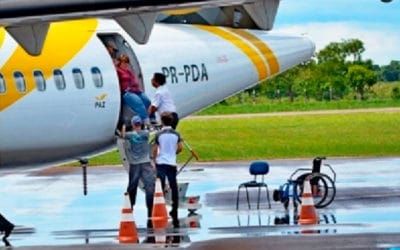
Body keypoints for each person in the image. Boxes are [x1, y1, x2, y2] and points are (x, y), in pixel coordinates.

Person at [121, 115, 156, 226]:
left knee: (132, 186)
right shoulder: (146, 134)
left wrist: (123, 126)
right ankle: (150, 209)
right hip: (146, 163)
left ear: (132, 124)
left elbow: (122, 135)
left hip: (135, 164)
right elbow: (150, 129)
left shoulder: (130, 135)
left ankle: (130, 206)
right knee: (149, 186)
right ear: (141, 124)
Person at [151, 112, 183, 227]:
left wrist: (154, 160)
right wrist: (173, 154)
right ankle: (175, 209)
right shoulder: (176, 134)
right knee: (173, 186)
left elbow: (155, 149)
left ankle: (160, 206)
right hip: (171, 162)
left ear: (162, 121)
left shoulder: (159, 134)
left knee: (160, 186)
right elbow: (180, 148)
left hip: (161, 162)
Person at [116, 54, 152, 125]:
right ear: (120, 63)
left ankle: (151, 118)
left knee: (147, 101)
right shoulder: (118, 71)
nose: (126, 64)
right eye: (124, 62)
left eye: (127, 63)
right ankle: (145, 121)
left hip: (135, 90)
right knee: (139, 103)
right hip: (127, 92)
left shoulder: (128, 72)